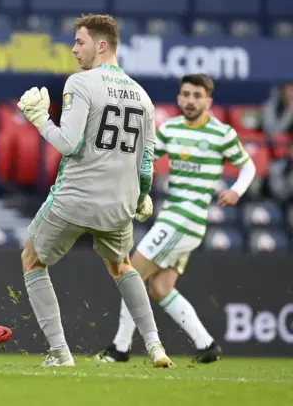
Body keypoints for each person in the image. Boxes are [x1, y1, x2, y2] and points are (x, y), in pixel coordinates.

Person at [16, 14, 173, 368]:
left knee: (31, 259)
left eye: (80, 42)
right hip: (119, 205)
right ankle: (155, 347)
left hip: (75, 197)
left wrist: (40, 119)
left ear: (101, 45)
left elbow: (69, 144)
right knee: (123, 266)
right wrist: (143, 196)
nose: (73, 50)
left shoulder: (81, 82)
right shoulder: (144, 97)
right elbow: (146, 164)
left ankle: (60, 352)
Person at [97, 74, 256, 364]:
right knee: (160, 288)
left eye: (197, 95)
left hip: (185, 219)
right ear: (179, 98)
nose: (191, 100)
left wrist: (236, 190)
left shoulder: (222, 134)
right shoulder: (170, 129)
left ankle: (120, 348)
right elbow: (145, 159)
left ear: (208, 101)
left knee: (130, 273)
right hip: (175, 220)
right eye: (186, 94)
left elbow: (248, 167)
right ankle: (206, 345)